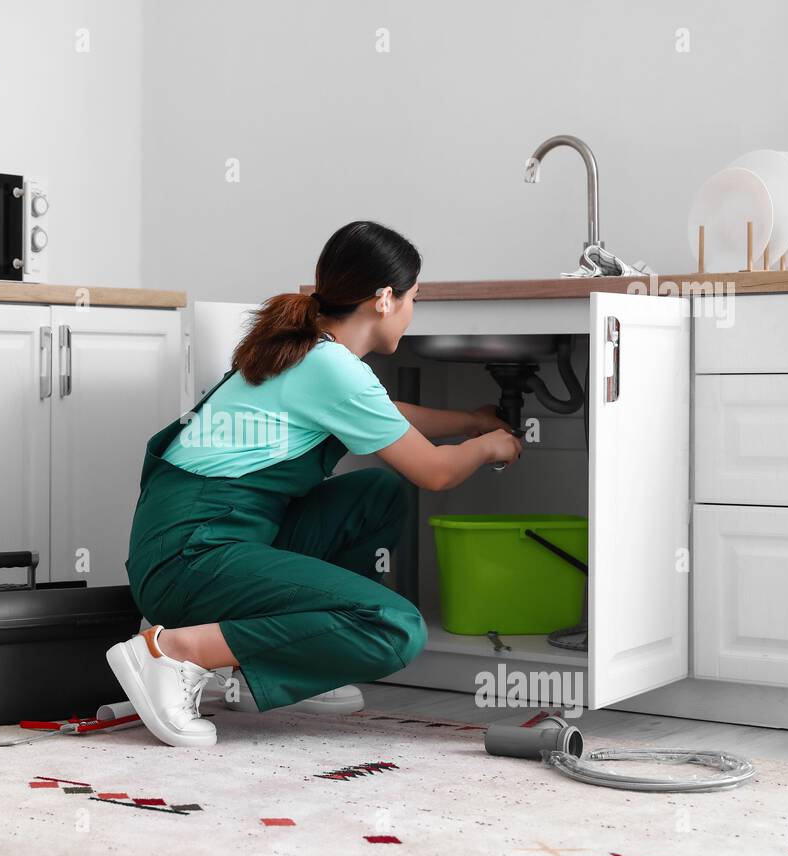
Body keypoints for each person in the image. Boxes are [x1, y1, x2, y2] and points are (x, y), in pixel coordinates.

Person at [106, 221, 522, 746]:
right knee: (395, 625)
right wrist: (489, 446)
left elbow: (385, 414)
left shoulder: (311, 351)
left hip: (211, 541)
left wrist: (467, 422)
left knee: (377, 494)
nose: (415, 313)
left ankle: (304, 661)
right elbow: (436, 473)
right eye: (415, 299)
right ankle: (172, 653)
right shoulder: (331, 367)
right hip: (192, 557)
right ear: (385, 299)